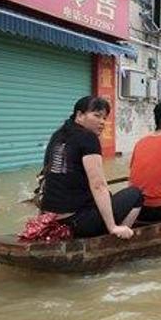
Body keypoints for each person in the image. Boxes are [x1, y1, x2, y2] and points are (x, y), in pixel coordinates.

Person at [40, 96, 141, 239]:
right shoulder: (88, 138)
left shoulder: (57, 136)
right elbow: (98, 185)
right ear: (80, 115)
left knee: (109, 196)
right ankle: (115, 240)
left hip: (51, 220)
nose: (102, 122)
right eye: (97, 116)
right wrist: (112, 226)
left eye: (104, 118)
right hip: (77, 223)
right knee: (136, 194)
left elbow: (48, 175)